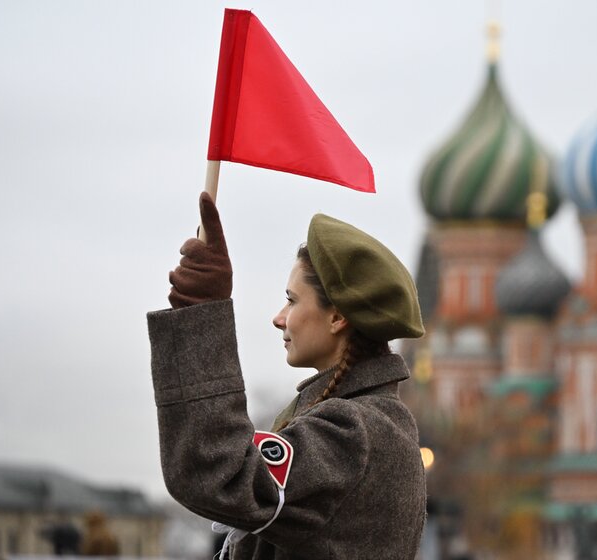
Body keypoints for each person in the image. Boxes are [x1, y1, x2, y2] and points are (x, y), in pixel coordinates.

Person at [148, 193, 427, 560]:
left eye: (292, 300)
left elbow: (220, 473)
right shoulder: (368, 421)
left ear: (337, 317)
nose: (279, 318)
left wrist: (202, 315)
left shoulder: (355, 431)